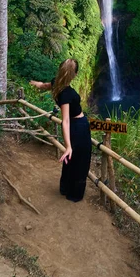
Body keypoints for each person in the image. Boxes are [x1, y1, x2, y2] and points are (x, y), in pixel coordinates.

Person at [30, 59, 91, 202]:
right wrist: (68, 146)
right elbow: (66, 121)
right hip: (79, 127)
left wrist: (35, 84)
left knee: (70, 160)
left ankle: (65, 188)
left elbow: (44, 85)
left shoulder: (56, 83)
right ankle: (74, 194)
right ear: (74, 74)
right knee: (81, 161)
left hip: (74, 126)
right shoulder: (67, 94)